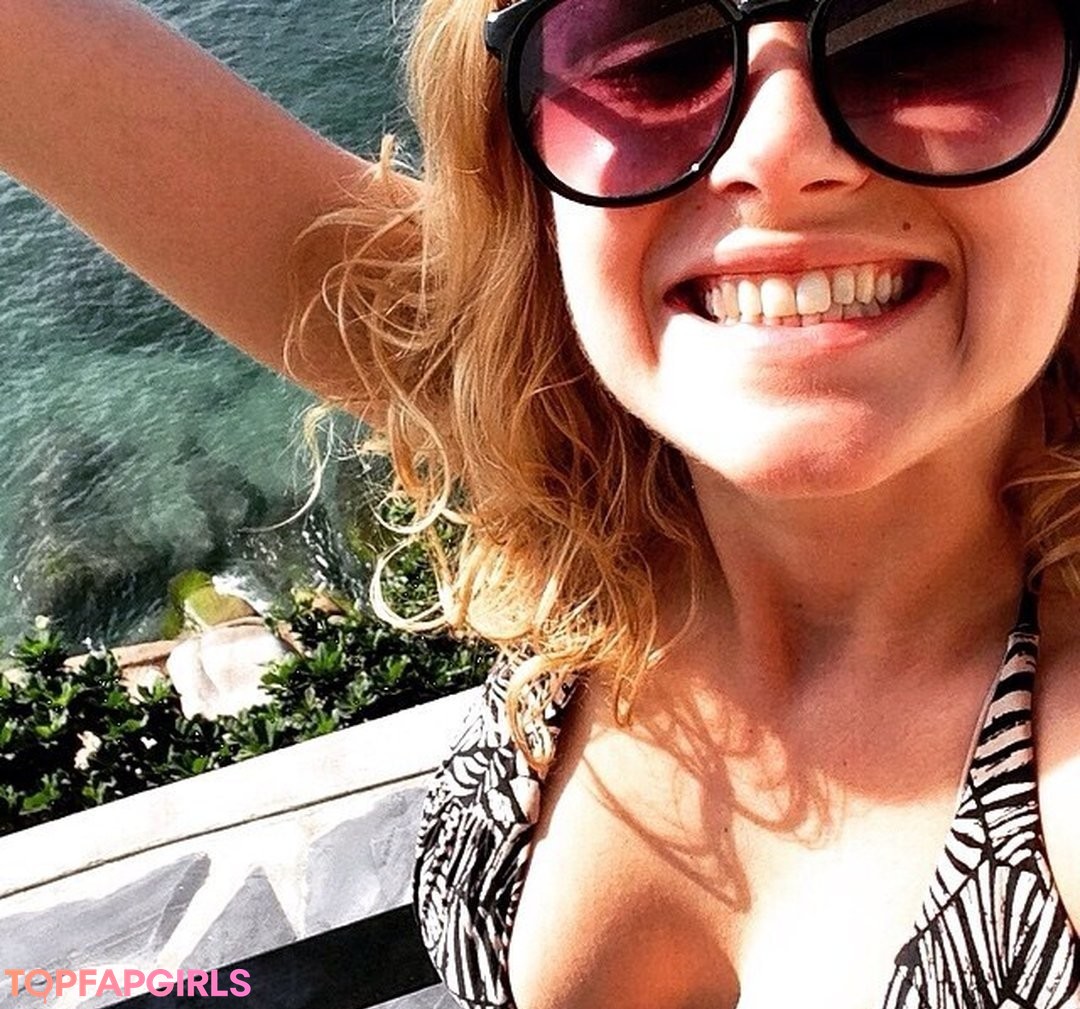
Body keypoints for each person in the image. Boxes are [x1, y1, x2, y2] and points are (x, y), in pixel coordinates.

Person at [4, 0, 1080, 1006]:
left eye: (929, 30)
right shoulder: (570, 441)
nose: (779, 150)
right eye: (648, 49)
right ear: (524, 171)